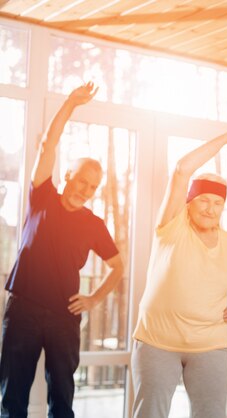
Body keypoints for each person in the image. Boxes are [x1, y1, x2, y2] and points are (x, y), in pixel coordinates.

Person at [1, 82, 124, 417]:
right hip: (23, 309)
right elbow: (47, 144)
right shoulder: (42, 197)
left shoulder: (94, 224)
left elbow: (118, 266)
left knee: (62, 399)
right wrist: (70, 104)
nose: (85, 189)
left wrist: (94, 298)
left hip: (64, 315)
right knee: (12, 397)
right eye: (81, 181)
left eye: (92, 186)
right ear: (68, 175)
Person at [131, 125, 227, 418]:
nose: (210, 208)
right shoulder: (171, 227)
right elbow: (181, 170)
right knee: (149, 413)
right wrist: (226, 139)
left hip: (211, 346)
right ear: (188, 203)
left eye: (218, 203)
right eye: (204, 200)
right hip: (157, 342)